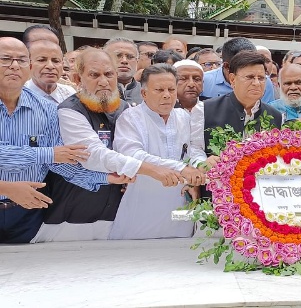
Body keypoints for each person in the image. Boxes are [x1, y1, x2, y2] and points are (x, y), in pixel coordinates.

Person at [34, 49, 187, 242]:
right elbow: (94, 155)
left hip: (114, 216)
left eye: (109, 74)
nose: (104, 81)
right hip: (72, 219)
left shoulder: (125, 108)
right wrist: (151, 170)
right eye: (94, 75)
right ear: (77, 78)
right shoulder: (70, 111)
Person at [0, 37, 130, 243]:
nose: (14, 66)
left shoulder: (47, 109)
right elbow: (53, 155)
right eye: (6, 59)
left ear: (29, 66)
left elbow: (62, 164)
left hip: (29, 214)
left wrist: (106, 179)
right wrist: (48, 153)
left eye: (21, 60)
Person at [110, 64, 203, 240]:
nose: (167, 95)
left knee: (177, 260)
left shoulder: (183, 117)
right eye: (159, 90)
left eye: (171, 89)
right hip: (141, 209)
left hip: (179, 206)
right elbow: (132, 156)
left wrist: (198, 169)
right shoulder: (130, 118)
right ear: (144, 93)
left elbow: (193, 151)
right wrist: (181, 168)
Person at [189, 51, 283, 169]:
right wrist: (202, 163)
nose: (256, 83)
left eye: (261, 78)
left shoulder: (276, 116)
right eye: (249, 77)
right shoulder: (205, 109)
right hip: (215, 183)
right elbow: (194, 148)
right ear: (232, 79)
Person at [201, 37, 275, 103]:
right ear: (226, 66)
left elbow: (266, 115)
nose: (256, 83)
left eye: (253, 63)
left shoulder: (264, 82)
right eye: (243, 66)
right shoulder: (204, 81)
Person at [24, 40, 76, 105]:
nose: (50, 66)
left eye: (56, 61)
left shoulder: (70, 94)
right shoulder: (18, 95)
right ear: (29, 64)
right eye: (42, 60)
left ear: (62, 65)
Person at [104, 37, 143, 106]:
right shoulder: (93, 91)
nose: (124, 61)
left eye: (130, 57)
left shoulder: (148, 92)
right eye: (118, 56)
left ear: (137, 61)